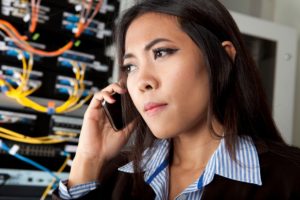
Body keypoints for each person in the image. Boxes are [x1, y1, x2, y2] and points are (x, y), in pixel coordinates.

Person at [53, 0, 300, 199]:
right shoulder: (110, 176)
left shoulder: (291, 178)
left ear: (222, 58)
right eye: (130, 66)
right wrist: (88, 160)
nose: (142, 82)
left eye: (161, 52)